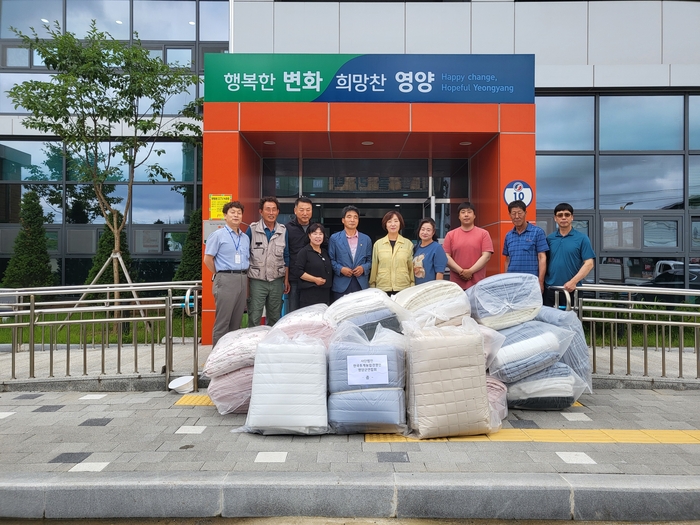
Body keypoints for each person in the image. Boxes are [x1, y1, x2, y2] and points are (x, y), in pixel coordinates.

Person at [203, 201, 250, 347]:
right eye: (233, 212)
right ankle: (217, 357)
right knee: (223, 321)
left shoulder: (245, 238)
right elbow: (208, 259)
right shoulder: (217, 235)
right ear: (225, 215)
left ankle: (230, 355)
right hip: (226, 278)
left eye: (239, 212)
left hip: (242, 278)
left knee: (236, 322)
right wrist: (220, 274)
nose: (236, 215)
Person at [245, 196, 289, 327]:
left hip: (276, 280)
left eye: (274, 209)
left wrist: (286, 280)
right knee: (254, 316)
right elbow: (245, 254)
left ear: (278, 212)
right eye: (268, 209)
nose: (271, 213)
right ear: (261, 212)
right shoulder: (252, 229)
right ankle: (252, 345)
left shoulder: (283, 230)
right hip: (257, 281)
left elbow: (286, 256)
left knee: (275, 317)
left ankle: (271, 346)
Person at [544, 202, 595, 307]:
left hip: (573, 290)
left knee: (571, 323)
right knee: (550, 323)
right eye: (560, 215)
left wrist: (573, 282)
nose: (563, 218)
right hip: (551, 290)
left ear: (572, 217)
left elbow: (589, 263)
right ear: (555, 218)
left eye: (567, 215)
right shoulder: (549, 239)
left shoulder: (582, 238)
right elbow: (544, 262)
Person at [444, 202, 494, 290]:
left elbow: (486, 256)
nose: (466, 215)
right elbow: (446, 256)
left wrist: (470, 271)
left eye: (469, 212)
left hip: (478, 284)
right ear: (459, 216)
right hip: (456, 285)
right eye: (463, 212)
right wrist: (461, 271)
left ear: (474, 215)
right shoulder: (450, 235)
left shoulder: (484, 234)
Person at [502, 200, 549, 292]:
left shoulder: (537, 232)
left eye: (520, 213)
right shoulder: (508, 235)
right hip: (512, 283)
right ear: (509, 215)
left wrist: (540, 281)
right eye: (513, 213)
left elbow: (542, 258)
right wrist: (506, 279)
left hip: (531, 283)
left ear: (525, 213)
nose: (517, 216)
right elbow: (507, 260)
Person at [328, 205, 372, 302]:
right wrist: (340, 269)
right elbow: (330, 259)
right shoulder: (334, 238)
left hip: (360, 283)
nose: (352, 220)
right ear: (343, 220)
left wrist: (363, 268)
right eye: (349, 217)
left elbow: (370, 260)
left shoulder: (366, 239)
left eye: (355, 217)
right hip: (341, 283)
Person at [369, 211, 414, 295]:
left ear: (400, 223)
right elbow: (374, 267)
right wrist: (372, 286)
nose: (393, 224)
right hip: (382, 288)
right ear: (385, 224)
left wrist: (412, 285)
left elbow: (411, 268)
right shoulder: (378, 244)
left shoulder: (408, 244)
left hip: (403, 288)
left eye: (396, 221)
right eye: (389, 221)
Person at [292, 223, 332, 307]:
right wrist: (315, 279)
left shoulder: (325, 252)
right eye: (315, 233)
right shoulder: (304, 252)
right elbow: (298, 271)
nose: (318, 236)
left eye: (320, 234)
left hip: (324, 294)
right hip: (309, 295)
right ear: (309, 236)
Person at [285, 196, 313, 312]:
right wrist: (286, 279)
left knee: (311, 312)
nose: (305, 213)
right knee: (293, 312)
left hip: (313, 279)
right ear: (295, 210)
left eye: (308, 210)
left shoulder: (316, 229)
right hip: (295, 279)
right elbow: (285, 254)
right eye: (301, 210)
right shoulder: (287, 229)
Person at [412, 217, 448, 285]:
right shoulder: (416, 247)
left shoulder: (437, 248)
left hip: (430, 289)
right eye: (422, 229)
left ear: (433, 232)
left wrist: (436, 289)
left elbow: (439, 273)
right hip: (416, 288)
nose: (425, 232)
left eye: (428, 230)